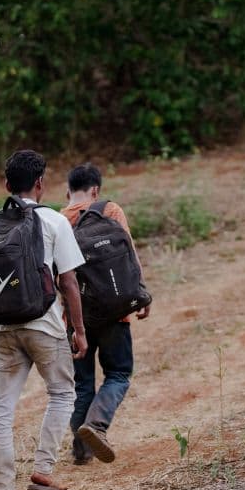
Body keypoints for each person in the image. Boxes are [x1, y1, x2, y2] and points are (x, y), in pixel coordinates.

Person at [0, 150, 87, 490]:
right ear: (40, 184)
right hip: (44, 324)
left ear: (5, 186)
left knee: (0, 410)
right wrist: (78, 330)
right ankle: (44, 470)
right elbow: (69, 281)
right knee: (63, 393)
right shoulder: (52, 221)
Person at [62, 163, 150, 465]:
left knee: (82, 384)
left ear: (67, 191)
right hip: (115, 313)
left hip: (75, 319)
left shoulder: (57, 221)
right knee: (119, 373)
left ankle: (81, 449)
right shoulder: (109, 210)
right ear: (95, 189)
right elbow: (129, 255)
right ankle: (96, 425)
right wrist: (142, 293)